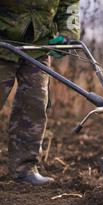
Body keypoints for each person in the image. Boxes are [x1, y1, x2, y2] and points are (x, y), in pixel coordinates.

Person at [0, 0, 80, 185]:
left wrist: (68, 35)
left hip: (39, 45)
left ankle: (24, 170)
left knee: (34, 105)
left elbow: (69, 4)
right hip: (3, 39)